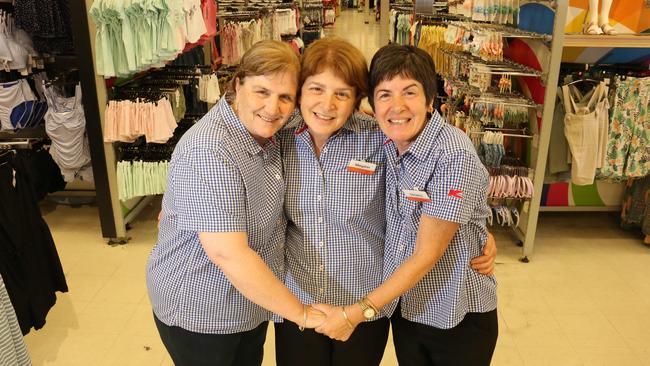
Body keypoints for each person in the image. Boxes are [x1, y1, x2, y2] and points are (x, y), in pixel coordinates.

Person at [276, 37, 497, 366]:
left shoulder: (379, 137)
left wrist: (477, 229)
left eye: (342, 93)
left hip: (372, 300)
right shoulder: (280, 136)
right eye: (316, 89)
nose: (327, 104)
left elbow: (434, 239)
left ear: (356, 101)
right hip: (301, 298)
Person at [146, 40, 324, 366]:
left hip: (250, 303)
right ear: (236, 85)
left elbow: (322, 114)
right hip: (204, 309)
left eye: (285, 97)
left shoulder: (269, 129)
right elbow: (228, 253)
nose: (273, 107)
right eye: (262, 92)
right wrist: (303, 314)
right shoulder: (212, 151)